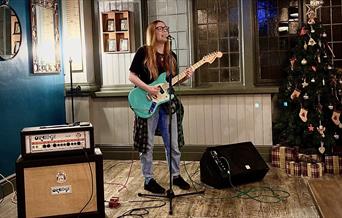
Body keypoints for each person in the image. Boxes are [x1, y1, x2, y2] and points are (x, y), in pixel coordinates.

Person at [128, 20, 193, 194]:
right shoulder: (143, 52)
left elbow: (169, 82)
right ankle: (148, 180)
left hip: (166, 104)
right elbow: (131, 76)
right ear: (153, 32)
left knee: (172, 142)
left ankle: (176, 175)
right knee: (147, 144)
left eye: (166, 28)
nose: (165, 31)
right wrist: (148, 88)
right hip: (147, 100)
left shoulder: (171, 56)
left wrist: (185, 77)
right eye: (161, 28)